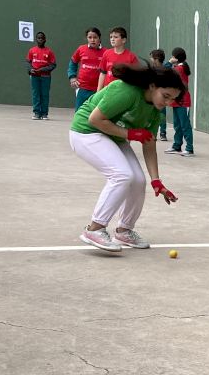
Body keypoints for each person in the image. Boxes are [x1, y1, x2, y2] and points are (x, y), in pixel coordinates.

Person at [69, 62, 183, 252]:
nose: (168, 103)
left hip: (114, 137)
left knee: (138, 181)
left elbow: (149, 145)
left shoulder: (154, 112)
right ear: (152, 86)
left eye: (172, 99)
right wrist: (130, 134)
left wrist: (156, 181)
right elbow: (95, 119)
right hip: (86, 132)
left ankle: (124, 230)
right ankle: (94, 229)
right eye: (166, 96)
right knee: (122, 175)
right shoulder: (126, 91)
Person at [67, 27, 105, 111]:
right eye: (90, 37)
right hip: (82, 88)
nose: (92, 40)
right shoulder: (81, 49)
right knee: (80, 112)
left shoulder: (106, 52)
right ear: (87, 38)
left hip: (98, 89)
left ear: (99, 38)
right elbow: (72, 63)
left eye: (95, 37)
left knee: (95, 113)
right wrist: (72, 77)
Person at [165, 47, 193, 156]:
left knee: (185, 125)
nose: (171, 57)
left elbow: (166, 71)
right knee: (177, 125)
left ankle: (189, 148)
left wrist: (169, 62)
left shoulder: (179, 69)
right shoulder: (179, 67)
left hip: (183, 101)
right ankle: (177, 146)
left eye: (173, 56)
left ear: (176, 58)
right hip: (177, 100)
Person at [26, 31, 57, 120]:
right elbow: (28, 62)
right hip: (34, 76)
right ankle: (36, 113)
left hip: (45, 77)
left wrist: (42, 70)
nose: (40, 40)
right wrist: (30, 69)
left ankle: (44, 114)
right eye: (38, 38)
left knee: (44, 95)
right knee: (36, 94)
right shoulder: (32, 50)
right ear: (36, 39)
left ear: (45, 40)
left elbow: (53, 65)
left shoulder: (49, 51)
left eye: (42, 38)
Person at [97, 26, 139, 91]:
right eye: (111, 37)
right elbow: (103, 73)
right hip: (108, 90)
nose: (112, 39)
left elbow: (137, 76)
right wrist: (98, 91)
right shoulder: (106, 53)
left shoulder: (131, 56)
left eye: (115, 37)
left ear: (123, 40)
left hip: (123, 91)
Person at [149, 48, 169, 140]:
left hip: (162, 96)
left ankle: (163, 133)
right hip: (153, 96)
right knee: (152, 115)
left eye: (151, 57)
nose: (150, 59)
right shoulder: (151, 69)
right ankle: (153, 133)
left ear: (156, 59)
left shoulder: (166, 69)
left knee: (161, 114)